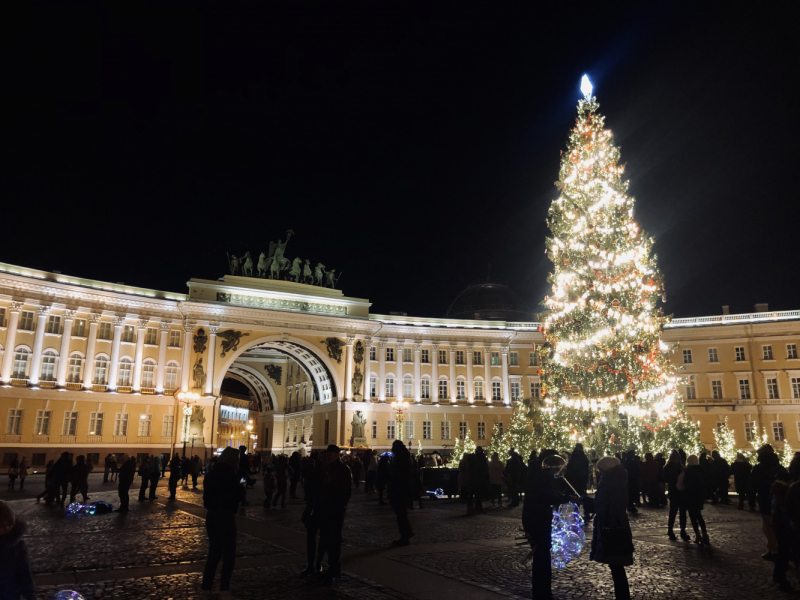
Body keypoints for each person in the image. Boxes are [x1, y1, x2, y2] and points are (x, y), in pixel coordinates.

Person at [522, 450, 572, 600]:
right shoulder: (539, 478)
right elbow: (545, 498)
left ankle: (543, 591)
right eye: (556, 466)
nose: (558, 470)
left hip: (537, 520)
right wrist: (565, 498)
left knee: (542, 557)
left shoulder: (537, 475)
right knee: (541, 557)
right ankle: (541, 592)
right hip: (537, 521)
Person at [201, 447, 242, 600]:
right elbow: (237, 497)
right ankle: (224, 590)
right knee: (229, 555)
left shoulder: (210, 475)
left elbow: (206, 500)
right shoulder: (231, 477)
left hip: (212, 517)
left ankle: (206, 587)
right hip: (226, 517)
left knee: (214, 553)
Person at [590, 456, 633, 600]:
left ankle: (623, 596)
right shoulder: (614, 481)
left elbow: (608, 504)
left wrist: (593, 504)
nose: (599, 473)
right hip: (613, 524)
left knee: (616, 564)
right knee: (615, 566)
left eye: (601, 470)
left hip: (614, 527)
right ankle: (622, 596)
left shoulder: (612, 483)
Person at [317, 446, 352, 584]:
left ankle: (333, 570)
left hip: (335, 510)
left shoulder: (342, 470)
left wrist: (340, 507)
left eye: (331, 454)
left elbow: (345, 493)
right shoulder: (328, 468)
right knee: (327, 539)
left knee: (334, 540)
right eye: (328, 454)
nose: (328, 457)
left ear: (337, 454)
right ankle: (334, 568)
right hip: (326, 508)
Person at [749, 444, 784, 560]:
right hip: (779, 500)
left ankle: (774, 550)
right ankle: (782, 548)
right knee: (778, 525)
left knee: (768, 526)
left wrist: (751, 499)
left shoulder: (759, 468)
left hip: (765, 499)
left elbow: (753, 484)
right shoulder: (779, 467)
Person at [0, 500, 36, 600]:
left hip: (10, 592)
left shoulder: (17, 545)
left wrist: (30, 594)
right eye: (2, 526)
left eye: (9, 524)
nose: (7, 528)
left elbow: (24, 571)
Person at [300, 453, 324, 575]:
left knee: (313, 537)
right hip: (319, 508)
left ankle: (313, 564)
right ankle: (317, 564)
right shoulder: (327, 472)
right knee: (322, 538)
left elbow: (307, 488)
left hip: (315, 508)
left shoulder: (314, 472)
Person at [388, 440, 415, 546]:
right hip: (403, 489)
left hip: (399, 489)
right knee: (402, 514)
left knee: (401, 514)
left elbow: (398, 474)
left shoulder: (399, 458)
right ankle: (406, 534)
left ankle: (405, 535)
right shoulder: (405, 457)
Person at [683, 455, 710, 545]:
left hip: (690, 495)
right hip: (699, 496)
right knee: (698, 515)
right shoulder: (701, 469)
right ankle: (705, 534)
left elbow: (685, 482)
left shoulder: (689, 470)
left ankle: (698, 534)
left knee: (692, 516)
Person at [663, 450, 689, 541]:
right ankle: (675, 531)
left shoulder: (670, 467)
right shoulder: (677, 468)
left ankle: (679, 530)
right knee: (676, 512)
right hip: (676, 492)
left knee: (678, 512)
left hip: (677, 492)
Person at [470, 447, 490, 514]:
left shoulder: (474, 457)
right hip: (481, 477)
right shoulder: (482, 458)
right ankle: (478, 507)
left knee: (477, 493)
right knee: (480, 494)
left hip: (475, 477)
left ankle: (476, 507)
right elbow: (485, 468)